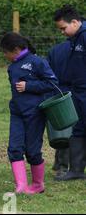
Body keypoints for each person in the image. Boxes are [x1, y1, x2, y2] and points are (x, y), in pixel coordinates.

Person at [0, 32, 58, 194]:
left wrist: (29, 86)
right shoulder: (12, 68)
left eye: (6, 52)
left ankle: (38, 185)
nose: (4, 55)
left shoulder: (38, 62)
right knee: (14, 148)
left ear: (17, 50)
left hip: (35, 114)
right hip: (17, 113)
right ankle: (21, 186)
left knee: (32, 151)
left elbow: (53, 84)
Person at [53, 4, 86, 181]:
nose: (62, 32)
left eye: (64, 28)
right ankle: (76, 170)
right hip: (78, 92)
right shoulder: (76, 39)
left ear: (74, 22)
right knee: (78, 129)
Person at [46, 40, 71, 178]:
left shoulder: (55, 50)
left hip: (58, 93)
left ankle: (59, 163)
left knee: (63, 129)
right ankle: (64, 166)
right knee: (72, 131)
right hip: (75, 92)